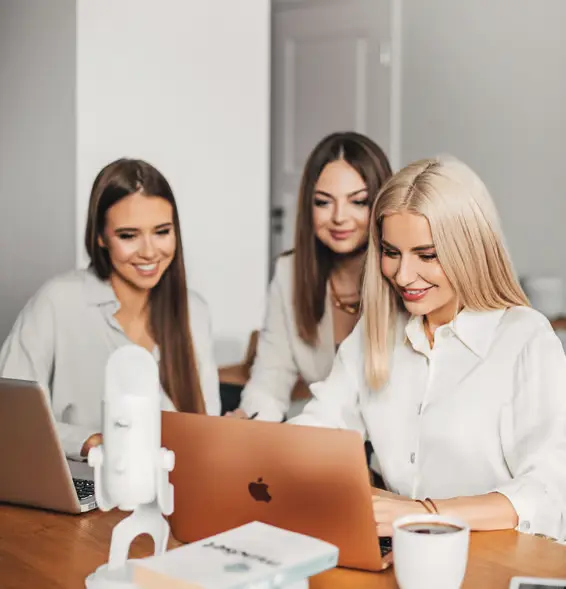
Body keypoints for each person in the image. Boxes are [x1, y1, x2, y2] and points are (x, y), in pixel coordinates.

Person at [291, 156, 566, 540]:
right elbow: (319, 429)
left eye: (427, 255)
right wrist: (264, 458)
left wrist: (426, 514)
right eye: (391, 253)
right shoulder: (378, 330)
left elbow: (549, 491)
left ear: (468, 250)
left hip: (495, 553)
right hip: (401, 546)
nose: (403, 276)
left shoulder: (525, 339)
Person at [0, 158, 220, 460]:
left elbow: (207, 428)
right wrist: (86, 442)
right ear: (101, 237)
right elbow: (9, 412)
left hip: (174, 483)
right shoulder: (58, 301)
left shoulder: (194, 311)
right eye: (128, 235)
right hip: (83, 481)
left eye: (162, 231)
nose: (149, 252)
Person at [231, 131, 392, 421]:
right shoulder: (289, 273)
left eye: (358, 201)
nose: (339, 217)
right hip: (322, 435)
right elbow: (270, 380)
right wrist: (250, 420)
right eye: (323, 202)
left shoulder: (402, 274)